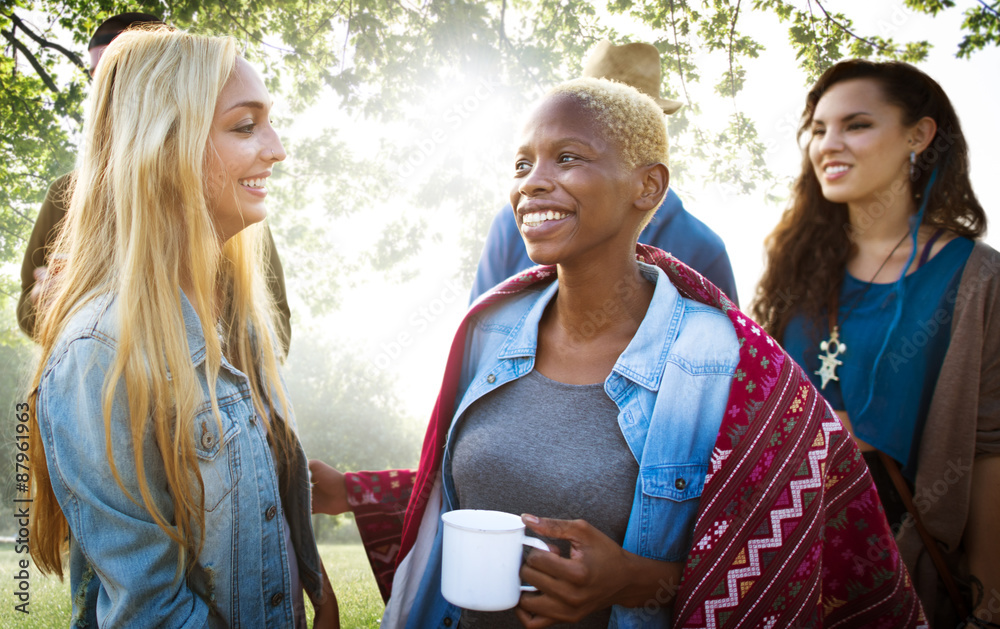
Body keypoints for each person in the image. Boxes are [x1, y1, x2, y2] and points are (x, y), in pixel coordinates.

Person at [311, 78, 927, 628]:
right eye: (522, 163)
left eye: (568, 158)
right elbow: (472, 491)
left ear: (647, 185)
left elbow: (783, 550)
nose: (532, 182)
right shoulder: (489, 330)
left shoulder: (731, 362)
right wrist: (353, 491)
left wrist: (633, 581)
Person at [25, 27, 336, 627]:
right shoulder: (100, 351)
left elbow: (267, 490)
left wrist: (315, 592)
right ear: (166, 147)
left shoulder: (241, 318)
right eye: (245, 127)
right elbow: (153, 610)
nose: (277, 149)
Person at [752, 59, 999, 628]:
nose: (828, 144)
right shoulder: (794, 263)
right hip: (784, 559)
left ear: (919, 135)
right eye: (818, 128)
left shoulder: (976, 278)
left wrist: (989, 607)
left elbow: (990, 448)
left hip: (904, 570)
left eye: (856, 125)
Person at [16, 12, 293, 355]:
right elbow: (30, 312)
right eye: (100, 77)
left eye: (132, 72)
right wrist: (52, 301)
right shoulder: (67, 195)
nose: (113, 90)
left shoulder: (231, 204)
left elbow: (275, 327)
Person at [469, 41, 739, 306]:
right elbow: (478, 329)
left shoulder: (701, 248)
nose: (533, 183)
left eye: (569, 157)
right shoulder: (513, 225)